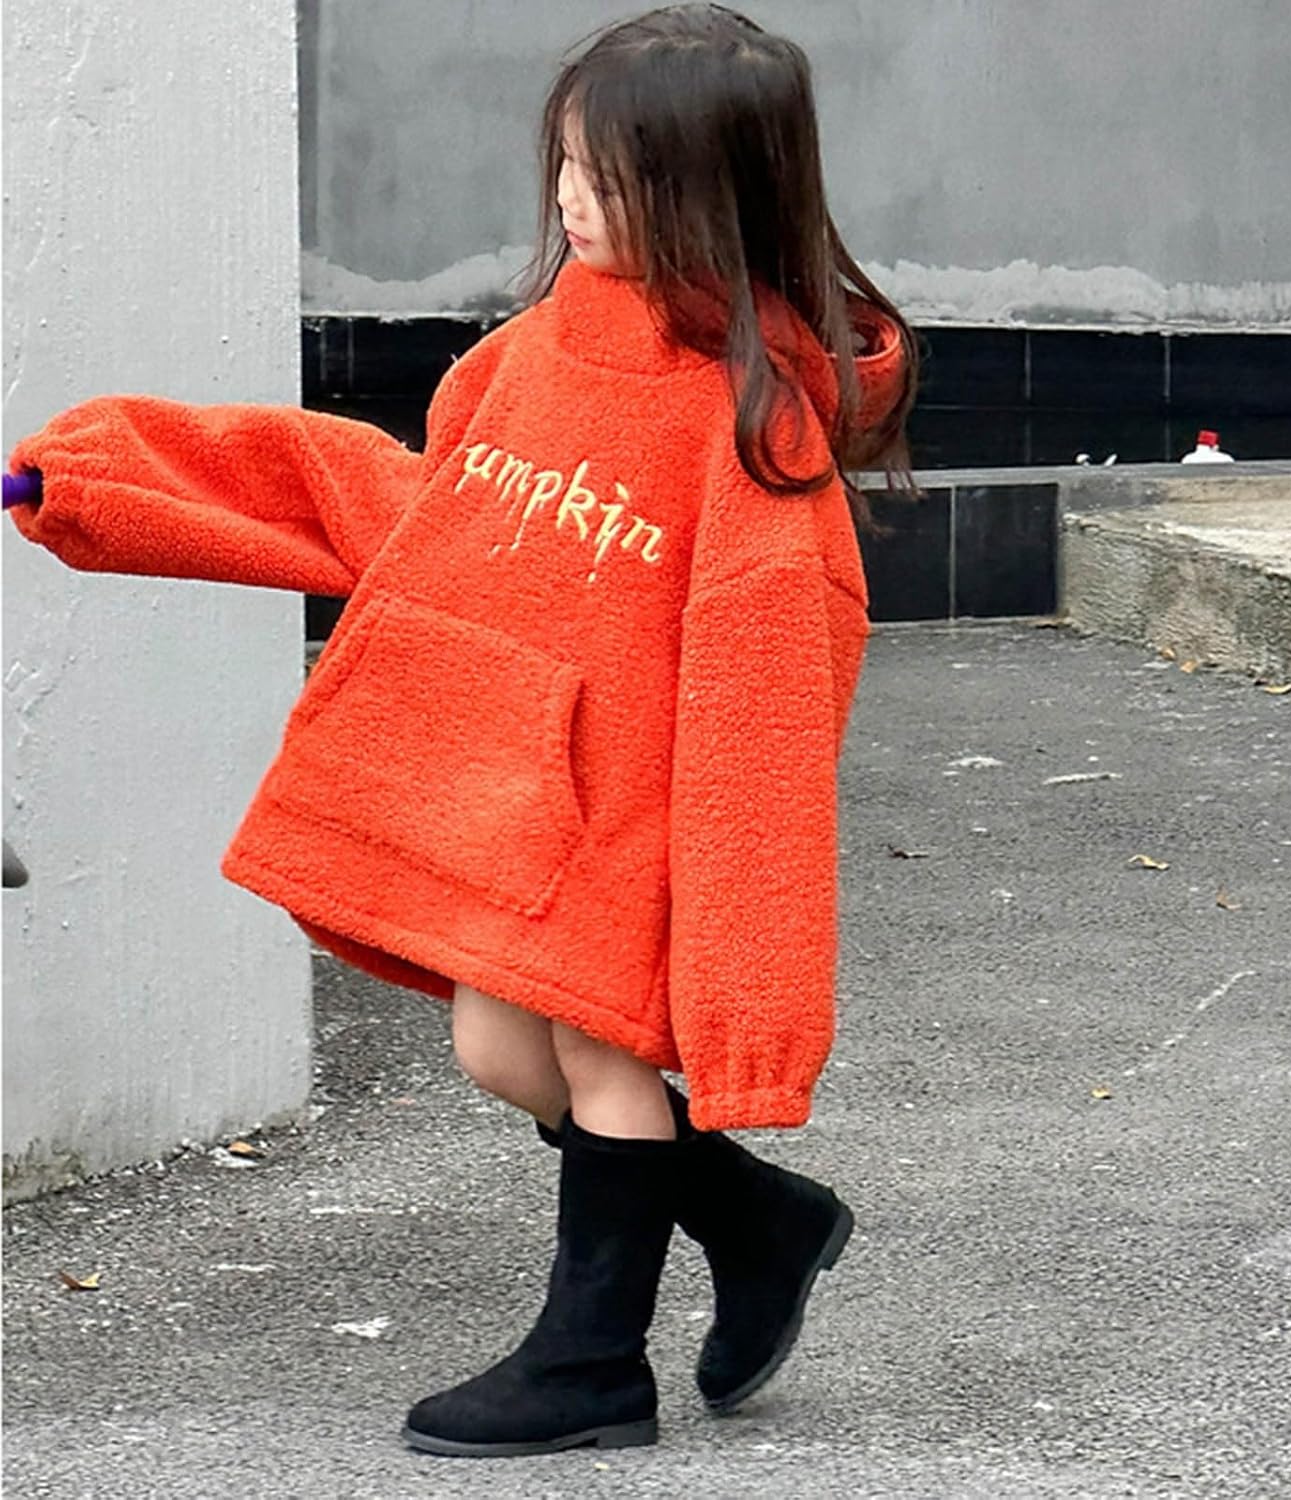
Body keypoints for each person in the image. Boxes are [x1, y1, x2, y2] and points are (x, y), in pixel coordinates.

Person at [6, 2, 916, 1460]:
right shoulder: (525, 359)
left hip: (645, 810)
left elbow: (769, 694)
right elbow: (421, 522)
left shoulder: (752, 427)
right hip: (522, 799)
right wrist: (114, 487)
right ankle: (758, 1222)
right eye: (565, 162)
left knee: (604, 1065)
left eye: (608, 177)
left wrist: (742, 946)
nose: (571, 197)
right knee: (501, 1053)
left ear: (707, 196)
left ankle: (592, 1365)